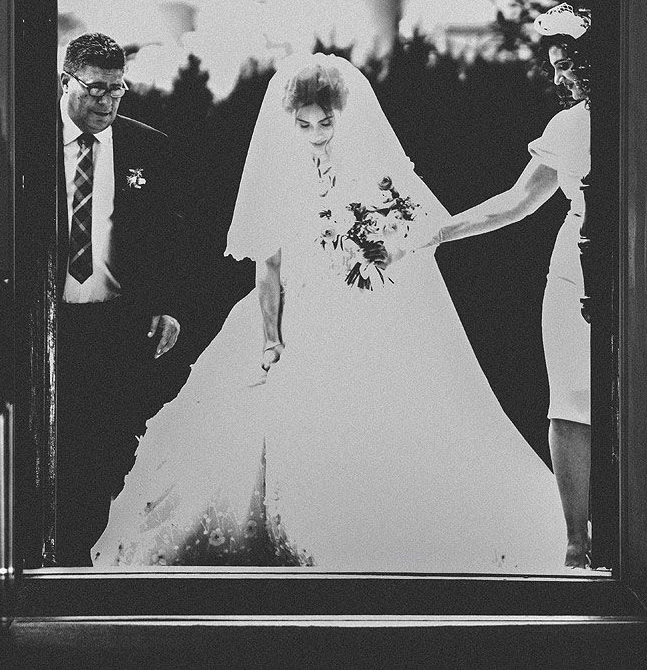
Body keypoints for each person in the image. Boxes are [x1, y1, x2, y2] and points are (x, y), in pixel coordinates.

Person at [92, 53, 567, 573]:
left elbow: (418, 231)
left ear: (342, 114)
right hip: (296, 313)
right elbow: (267, 268)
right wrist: (270, 338)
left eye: (325, 122)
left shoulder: (372, 168)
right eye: (304, 124)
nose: (316, 133)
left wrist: (384, 248)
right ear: (288, 122)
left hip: (363, 313)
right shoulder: (277, 175)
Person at [426, 4, 592, 569]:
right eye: (554, 66)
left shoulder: (645, 117)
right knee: (569, 399)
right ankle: (577, 540)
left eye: (566, 64)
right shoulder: (567, 127)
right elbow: (517, 203)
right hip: (575, 268)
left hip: (640, 266)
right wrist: (439, 231)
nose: (559, 77)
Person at [56, 32, 186, 566]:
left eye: (117, 89)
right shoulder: (25, 144)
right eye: (95, 89)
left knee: (109, 444)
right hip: (49, 324)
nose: (107, 100)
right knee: (51, 444)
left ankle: (84, 556)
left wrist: (168, 303)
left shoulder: (147, 148)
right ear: (66, 82)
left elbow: (167, 236)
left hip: (115, 322)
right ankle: (52, 556)